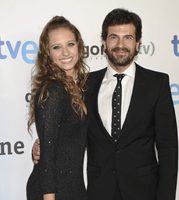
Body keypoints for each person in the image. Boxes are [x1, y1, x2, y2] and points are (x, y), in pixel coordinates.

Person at [33, 8, 178, 200]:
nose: (120, 44)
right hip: (98, 192)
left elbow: (168, 148)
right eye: (113, 37)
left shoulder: (157, 83)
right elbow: (69, 129)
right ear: (104, 43)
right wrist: (43, 144)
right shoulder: (84, 85)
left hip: (143, 192)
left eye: (128, 37)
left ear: (138, 44)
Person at [26, 16, 88, 200]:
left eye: (70, 44)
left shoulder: (79, 85)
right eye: (56, 47)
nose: (65, 53)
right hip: (53, 191)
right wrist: (49, 196)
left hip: (72, 186)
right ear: (47, 53)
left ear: (79, 46)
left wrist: (40, 144)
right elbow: (49, 150)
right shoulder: (54, 89)